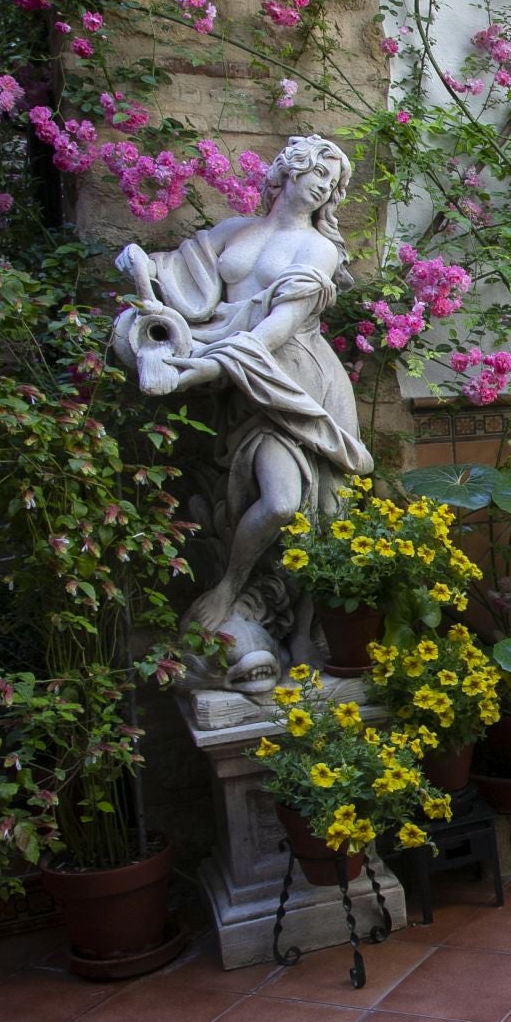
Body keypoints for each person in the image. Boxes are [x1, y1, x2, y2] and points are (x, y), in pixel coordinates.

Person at [113, 135, 372, 689]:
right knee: (261, 502)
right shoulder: (234, 231)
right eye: (317, 172)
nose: (324, 186)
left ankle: (239, 596)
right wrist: (140, 266)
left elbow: (276, 329)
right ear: (289, 171)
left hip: (294, 380)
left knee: (295, 505)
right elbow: (179, 284)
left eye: (332, 182)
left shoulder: (318, 250)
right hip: (239, 386)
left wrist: (202, 369)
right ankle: (269, 625)